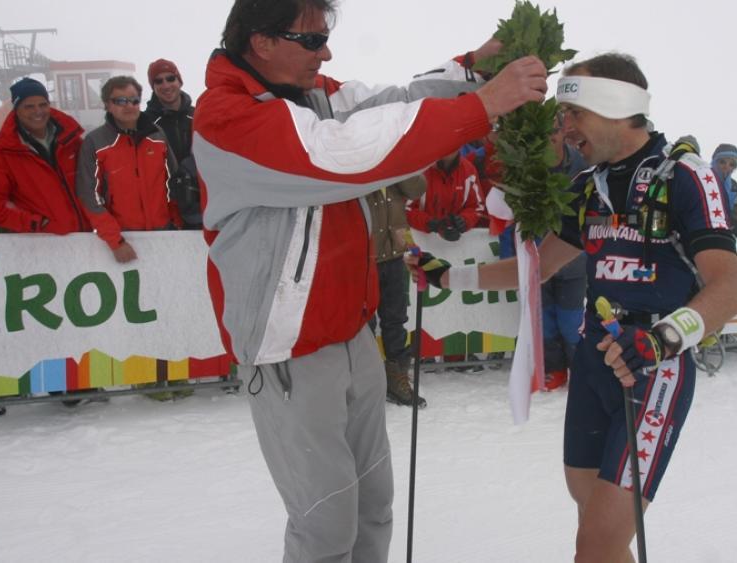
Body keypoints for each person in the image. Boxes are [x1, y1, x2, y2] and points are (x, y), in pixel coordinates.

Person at [192, 0, 548, 560]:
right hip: (291, 348)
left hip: (353, 334)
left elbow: (392, 103)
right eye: (311, 40)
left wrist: (470, 70)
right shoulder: (227, 115)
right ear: (261, 42)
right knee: (326, 529)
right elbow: (342, 155)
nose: (325, 52)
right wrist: (482, 105)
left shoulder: (311, 94)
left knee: (374, 507)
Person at [408, 53, 737, 563]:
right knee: (594, 526)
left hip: (652, 368)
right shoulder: (590, 187)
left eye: (573, 114)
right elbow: (536, 267)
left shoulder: (684, 176)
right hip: (595, 360)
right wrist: (447, 274)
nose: (564, 130)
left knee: (597, 542)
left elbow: (729, 285)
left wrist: (662, 339)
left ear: (615, 106)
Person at [76, 75, 183, 264]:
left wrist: (176, 224)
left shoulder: (156, 135)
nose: (129, 106)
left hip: (164, 233)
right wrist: (115, 241)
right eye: (121, 101)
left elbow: (173, 181)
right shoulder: (96, 142)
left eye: (134, 100)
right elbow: (89, 195)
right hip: (124, 239)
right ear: (108, 104)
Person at [0, 77, 90, 234]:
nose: (38, 111)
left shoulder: (72, 142)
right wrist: (36, 224)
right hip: (38, 245)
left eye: (43, 104)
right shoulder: (1, 152)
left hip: (85, 239)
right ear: (16, 110)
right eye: (29, 106)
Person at [366, 175, 428, 408]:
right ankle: (368, 383)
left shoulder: (396, 165)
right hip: (365, 258)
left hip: (394, 256)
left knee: (396, 320)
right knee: (365, 325)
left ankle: (396, 379)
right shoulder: (358, 162)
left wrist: (401, 165)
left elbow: (417, 189)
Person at [540, 110, 588, 391]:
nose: (550, 139)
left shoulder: (580, 163)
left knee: (571, 322)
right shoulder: (530, 166)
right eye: (544, 134)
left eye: (554, 132)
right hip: (539, 256)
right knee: (545, 322)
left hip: (573, 260)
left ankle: (578, 369)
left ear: (562, 132)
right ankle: (554, 369)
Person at [146, 58, 201, 229]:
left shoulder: (199, 115)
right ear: (153, 86)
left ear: (179, 81)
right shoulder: (145, 123)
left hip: (199, 202)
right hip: (165, 206)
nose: (166, 85)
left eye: (170, 78)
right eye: (158, 81)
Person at [405, 149, 483, 242]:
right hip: (421, 241)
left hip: (457, 244)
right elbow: (405, 208)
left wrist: (464, 221)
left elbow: (477, 206)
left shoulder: (469, 171)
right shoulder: (419, 171)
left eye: (455, 143)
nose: (450, 148)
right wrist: (430, 224)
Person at [711, 143, 737, 212]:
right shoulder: (703, 179)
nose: (726, 166)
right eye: (722, 162)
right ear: (714, 162)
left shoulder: (734, 186)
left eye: (731, 164)